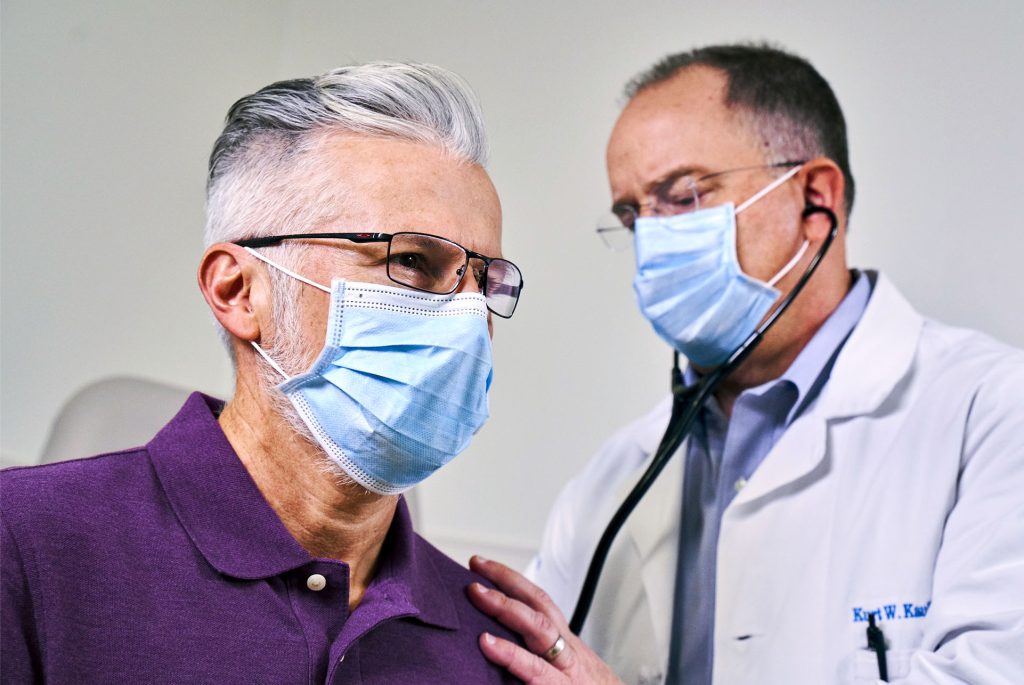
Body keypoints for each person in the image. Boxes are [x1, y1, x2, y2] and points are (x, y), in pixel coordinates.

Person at [468, 43, 1024, 684]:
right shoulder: (614, 478)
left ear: (816, 199)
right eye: (631, 213)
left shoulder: (990, 417)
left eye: (682, 195)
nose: (651, 239)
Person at [1, 62, 526, 683]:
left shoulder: (495, 643)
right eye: (412, 260)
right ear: (240, 291)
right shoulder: (27, 545)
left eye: (484, 281)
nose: (468, 317)